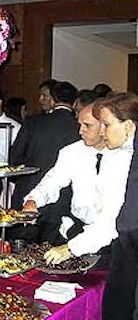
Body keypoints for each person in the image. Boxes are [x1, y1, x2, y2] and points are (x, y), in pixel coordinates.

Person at [23, 99, 132, 263]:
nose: (80, 131)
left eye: (87, 125)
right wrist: (33, 200)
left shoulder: (125, 158)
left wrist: (72, 248)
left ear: (103, 126)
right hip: (77, 231)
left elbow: (111, 217)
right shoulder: (72, 152)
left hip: (113, 238)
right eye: (79, 124)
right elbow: (53, 181)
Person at [91, 92, 138, 320]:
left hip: (128, 250)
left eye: (107, 124)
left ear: (129, 126)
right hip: (123, 248)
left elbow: (124, 222)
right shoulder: (116, 154)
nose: (102, 131)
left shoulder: (128, 159)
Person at [10, 81, 80, 244]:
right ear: (75, 103)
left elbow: (14, 160)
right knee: (53, 258)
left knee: (20, 254)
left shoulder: (33, 123)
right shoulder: (80, 128)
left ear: (53, 100)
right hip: (64, 202)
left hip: (28, 195)